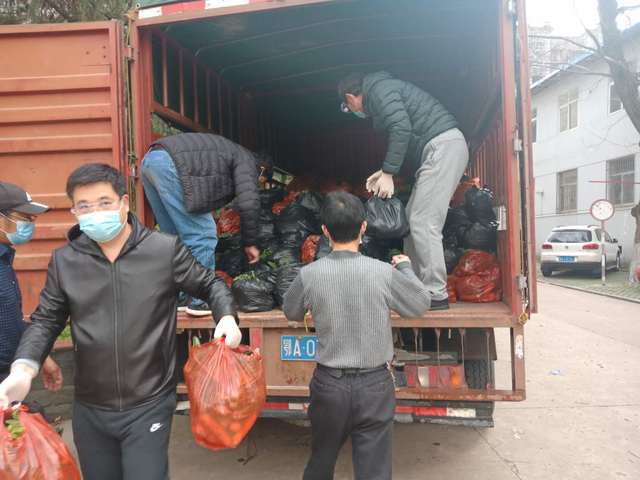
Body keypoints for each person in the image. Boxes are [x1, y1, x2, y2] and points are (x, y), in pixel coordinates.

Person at [0, 164, 241, 480]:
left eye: (104, 202)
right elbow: (46, 320)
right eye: (84, 206)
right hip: (91, 408)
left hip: (149, 401)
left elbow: (210, 284)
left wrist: (226, 316)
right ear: (74, 212)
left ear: (124, 203)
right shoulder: (66, 261)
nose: (94, 212)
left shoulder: (163, 251)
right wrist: (24, 366)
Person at [283, 191, 431, 480]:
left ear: (325, 231)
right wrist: (405, 268)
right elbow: (419, 304)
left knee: (320, 462)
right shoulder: (382, 273)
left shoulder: (310, 274)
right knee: (374, 471)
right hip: (375, 386)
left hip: (329, 387)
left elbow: (291, 311)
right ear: (364, 228)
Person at [338, 71, 469, 310]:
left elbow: (401, 128)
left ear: (351, 97)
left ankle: (435, 292)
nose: (353, 110)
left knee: (423, 221)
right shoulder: (382, 91)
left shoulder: (379, 91)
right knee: (412, 218)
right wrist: (384, 172)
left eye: (348, 107)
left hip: (443, 147)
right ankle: (415, 285)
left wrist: (389, 172)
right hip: (438, 149)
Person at [141, 133, 261, 317]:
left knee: (173, 240)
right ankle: (200, 300)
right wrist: (250, 243)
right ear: (261, 169)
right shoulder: (247, 161)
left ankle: (180, 297)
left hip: (150, 161)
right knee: (203, 234)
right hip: (170, 165)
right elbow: (249, 203)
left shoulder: (228, 152)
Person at [0, 182, 62, 390]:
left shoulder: (4, 260)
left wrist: (38, 356)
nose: (30, 224)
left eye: (32, 218)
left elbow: (10, 320)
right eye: (24, 217)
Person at [631, 201, 640, 284]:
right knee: (636, 260)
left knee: (636, 260)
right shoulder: (637, 210)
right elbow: (633, 212)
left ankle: (633, 279)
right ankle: (633, 279)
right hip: (638, 240)